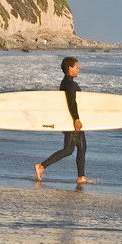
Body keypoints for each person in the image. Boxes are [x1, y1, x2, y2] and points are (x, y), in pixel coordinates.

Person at [34, 56, 87, 184]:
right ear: (70, 68)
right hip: (70, 119)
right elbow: (71, 102)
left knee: (82, 147)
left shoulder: (66, 82)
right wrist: (76, 119)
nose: (78, 69)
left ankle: (81, 177)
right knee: (69, 149)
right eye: (76, 67)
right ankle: (41, 166)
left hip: (69, 118)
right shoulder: (70, 84)